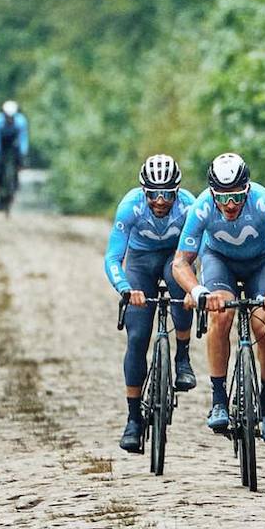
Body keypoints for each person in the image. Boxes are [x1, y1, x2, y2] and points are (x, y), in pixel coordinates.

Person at [172, 153, 265, 445]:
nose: (229, 206)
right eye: (222, 198)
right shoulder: (203, 207)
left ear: (246, 190)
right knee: (220, 316)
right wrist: (199, 292)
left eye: (236, 198)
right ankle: (219, 399)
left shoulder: (262, 201)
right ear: (211, 193)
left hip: (260, 263)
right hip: (220, 261)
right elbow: (181, 261)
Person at [103, 156, 198, 452]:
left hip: (175, 256)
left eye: (167, 193)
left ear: (177, 191)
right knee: (137, 336)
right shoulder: (130, 207)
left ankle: (182, 357)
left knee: (180, 290)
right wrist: (125, 288)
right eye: (153, 194)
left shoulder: (189, 206)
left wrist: (195, 286)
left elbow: (201, 250)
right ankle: (133, 419)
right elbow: (112, 258)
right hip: (140, 262)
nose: (159, 201)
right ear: (143, 192)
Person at [0, 100, 29, 214]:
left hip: (14, 144)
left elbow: (23, 139)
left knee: (19, 161)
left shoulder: (21, 121)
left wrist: (23, 153)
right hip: (2, 144)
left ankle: (15, 184)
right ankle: (0, 187)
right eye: (7, 117)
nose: (9, 119)